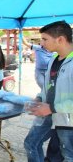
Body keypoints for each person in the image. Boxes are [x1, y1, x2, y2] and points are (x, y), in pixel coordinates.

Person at [29, 21, 73, 162]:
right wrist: (39, 98)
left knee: (68, 156)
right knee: (36, 146)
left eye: (45, 39)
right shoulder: (54, 59)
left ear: (60, 39)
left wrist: (51, 108)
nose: (42, 43)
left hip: (69, 123)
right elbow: (49, 85)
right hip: (54, 117)